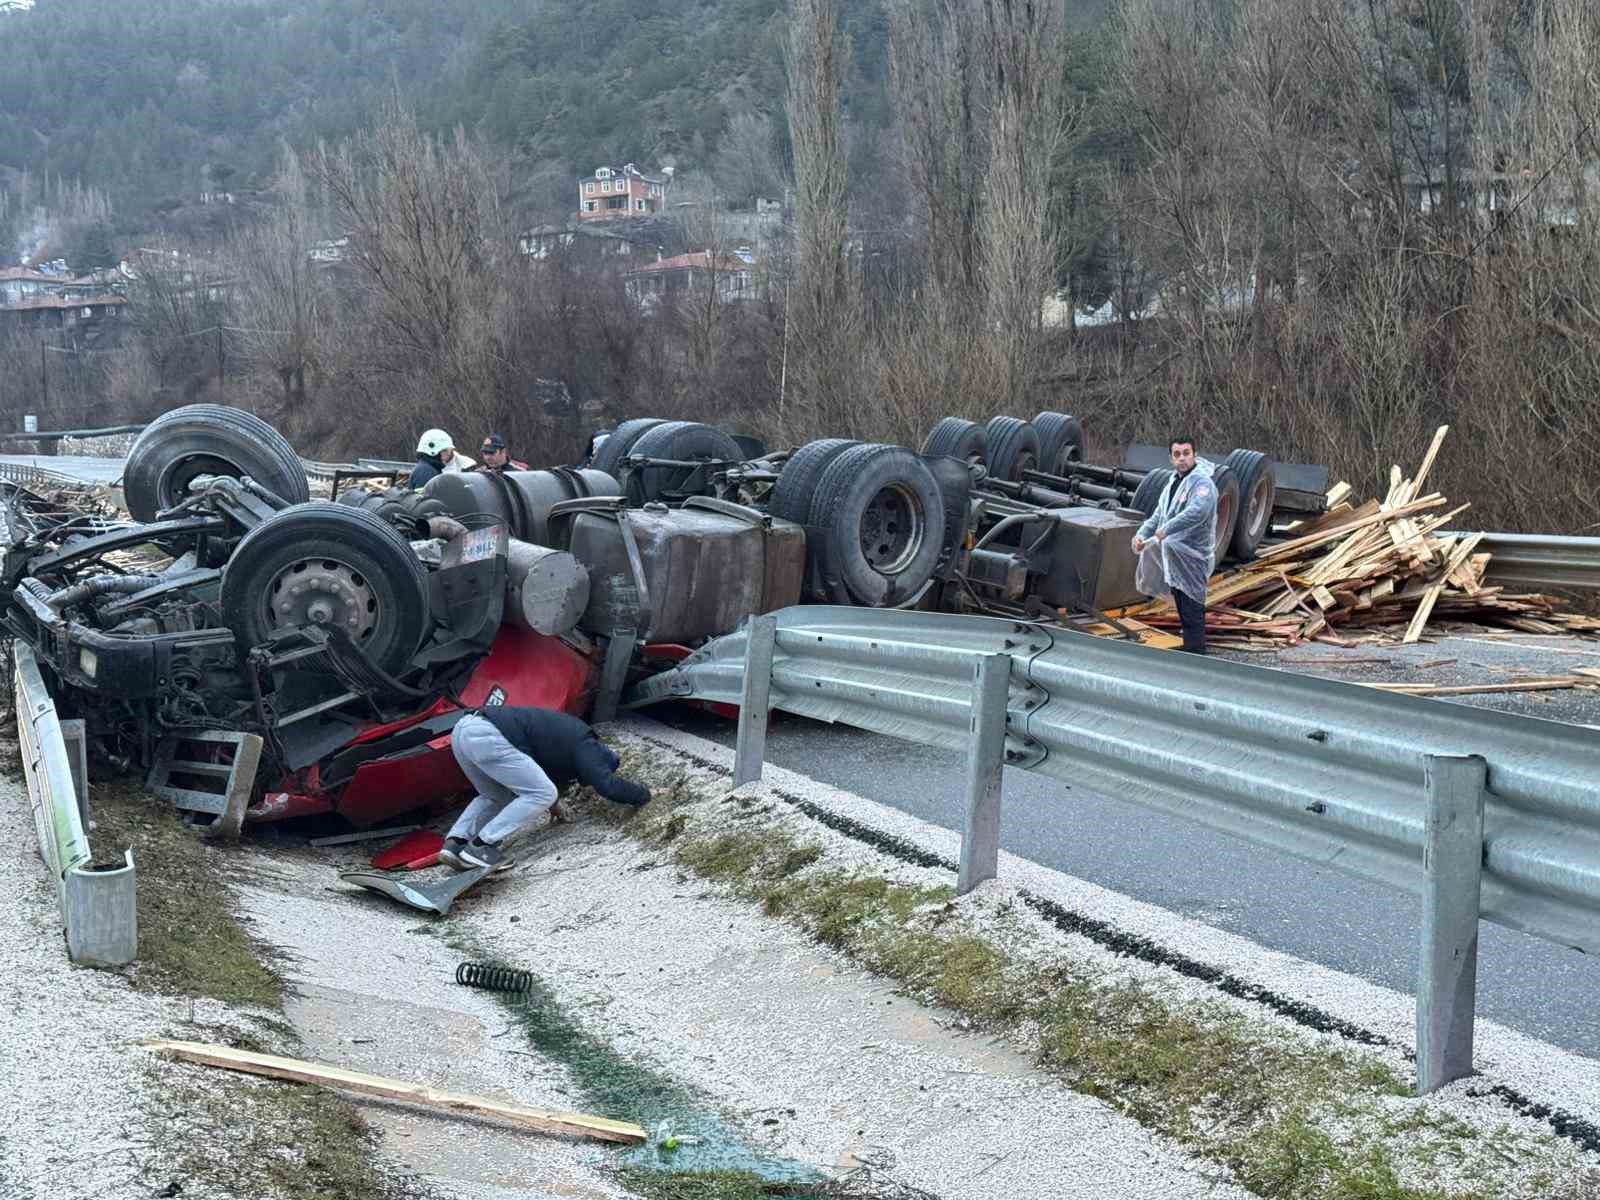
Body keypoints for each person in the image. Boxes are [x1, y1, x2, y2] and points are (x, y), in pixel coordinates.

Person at [440, 706, 651, 871]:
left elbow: (532, 773)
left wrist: (554, 804)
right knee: (543, 793)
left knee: (494, 796)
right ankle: (481, 846)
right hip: (488, 734)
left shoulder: (565, 738)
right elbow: (606, 784)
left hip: (464, 730)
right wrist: (645, 795)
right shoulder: (589, 744)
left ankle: (456, 844)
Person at [1132, 437, 1218, 654]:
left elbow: (1197, 512)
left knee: (1192, 613)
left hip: (1193, 558)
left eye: (1186, 453)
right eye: (1177, 454)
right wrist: (1141, 534)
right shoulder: (1173, 482)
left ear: (1194, 455)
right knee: (1183, 611)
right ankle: (1190, 655)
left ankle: (1197, 659)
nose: (1182, 458)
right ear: (1171, 458)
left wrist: (1167, 528)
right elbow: (1158, 515)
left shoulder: (1202, 483)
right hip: (1175, 558)